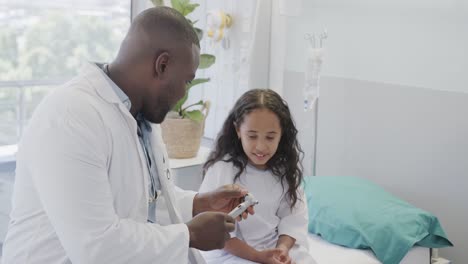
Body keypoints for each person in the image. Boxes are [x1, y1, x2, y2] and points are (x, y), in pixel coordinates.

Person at [2, 7, 254, 264]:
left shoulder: (140, 117)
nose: (183, 94)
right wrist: (189, 234)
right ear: (162, 65)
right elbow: (97, 247)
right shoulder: (70, 117)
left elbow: (143, 204)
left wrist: (199, 203)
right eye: (187, 82)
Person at [199, 89, 317, 264]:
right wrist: (258, 257)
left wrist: (282, 249)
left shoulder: (285, 170)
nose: (261, 147)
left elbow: (294, 219)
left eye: (270, 137)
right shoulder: (222, 169)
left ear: (281, 133)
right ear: (238, 130)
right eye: (252, 136)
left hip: (273, 246)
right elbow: (218, 233)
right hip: (231, 251)